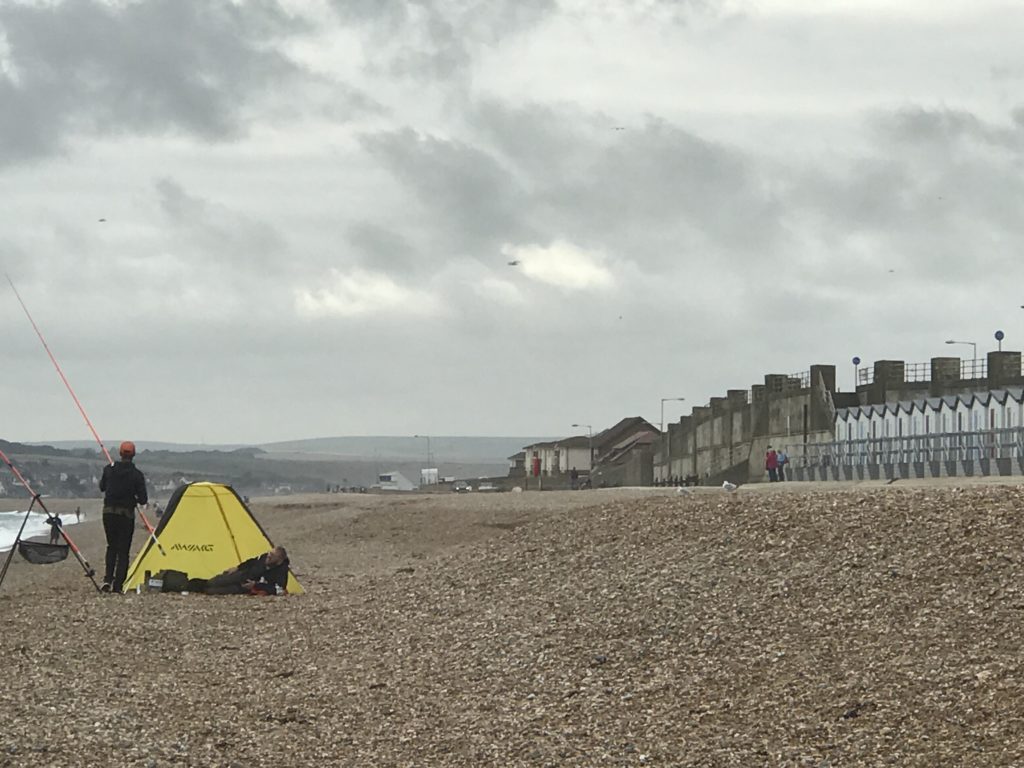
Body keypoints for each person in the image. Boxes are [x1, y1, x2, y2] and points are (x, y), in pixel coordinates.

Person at [99, 441, 148, 593]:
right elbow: (143, 500)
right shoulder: (137, 475)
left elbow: (102, 487)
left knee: (111, 546)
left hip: (108, 513)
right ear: (133, 455)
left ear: (120, 454)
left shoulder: (109, 469)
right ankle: (118, 585)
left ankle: (108, 579)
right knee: (123, 551)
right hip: (125, 515)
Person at [193, 547, 291, 596]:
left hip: (246, 587)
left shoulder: (281, 571)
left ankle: (197, 589)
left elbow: (280, 589)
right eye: (270, 553)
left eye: (272, 556)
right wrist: (237, 567)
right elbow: (251, 561)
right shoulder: (264, 557)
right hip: (243, 574)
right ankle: (193, 584)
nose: (269, 556)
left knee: (212, 591)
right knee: (213, 582)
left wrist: (256, 585)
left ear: (279, 560)